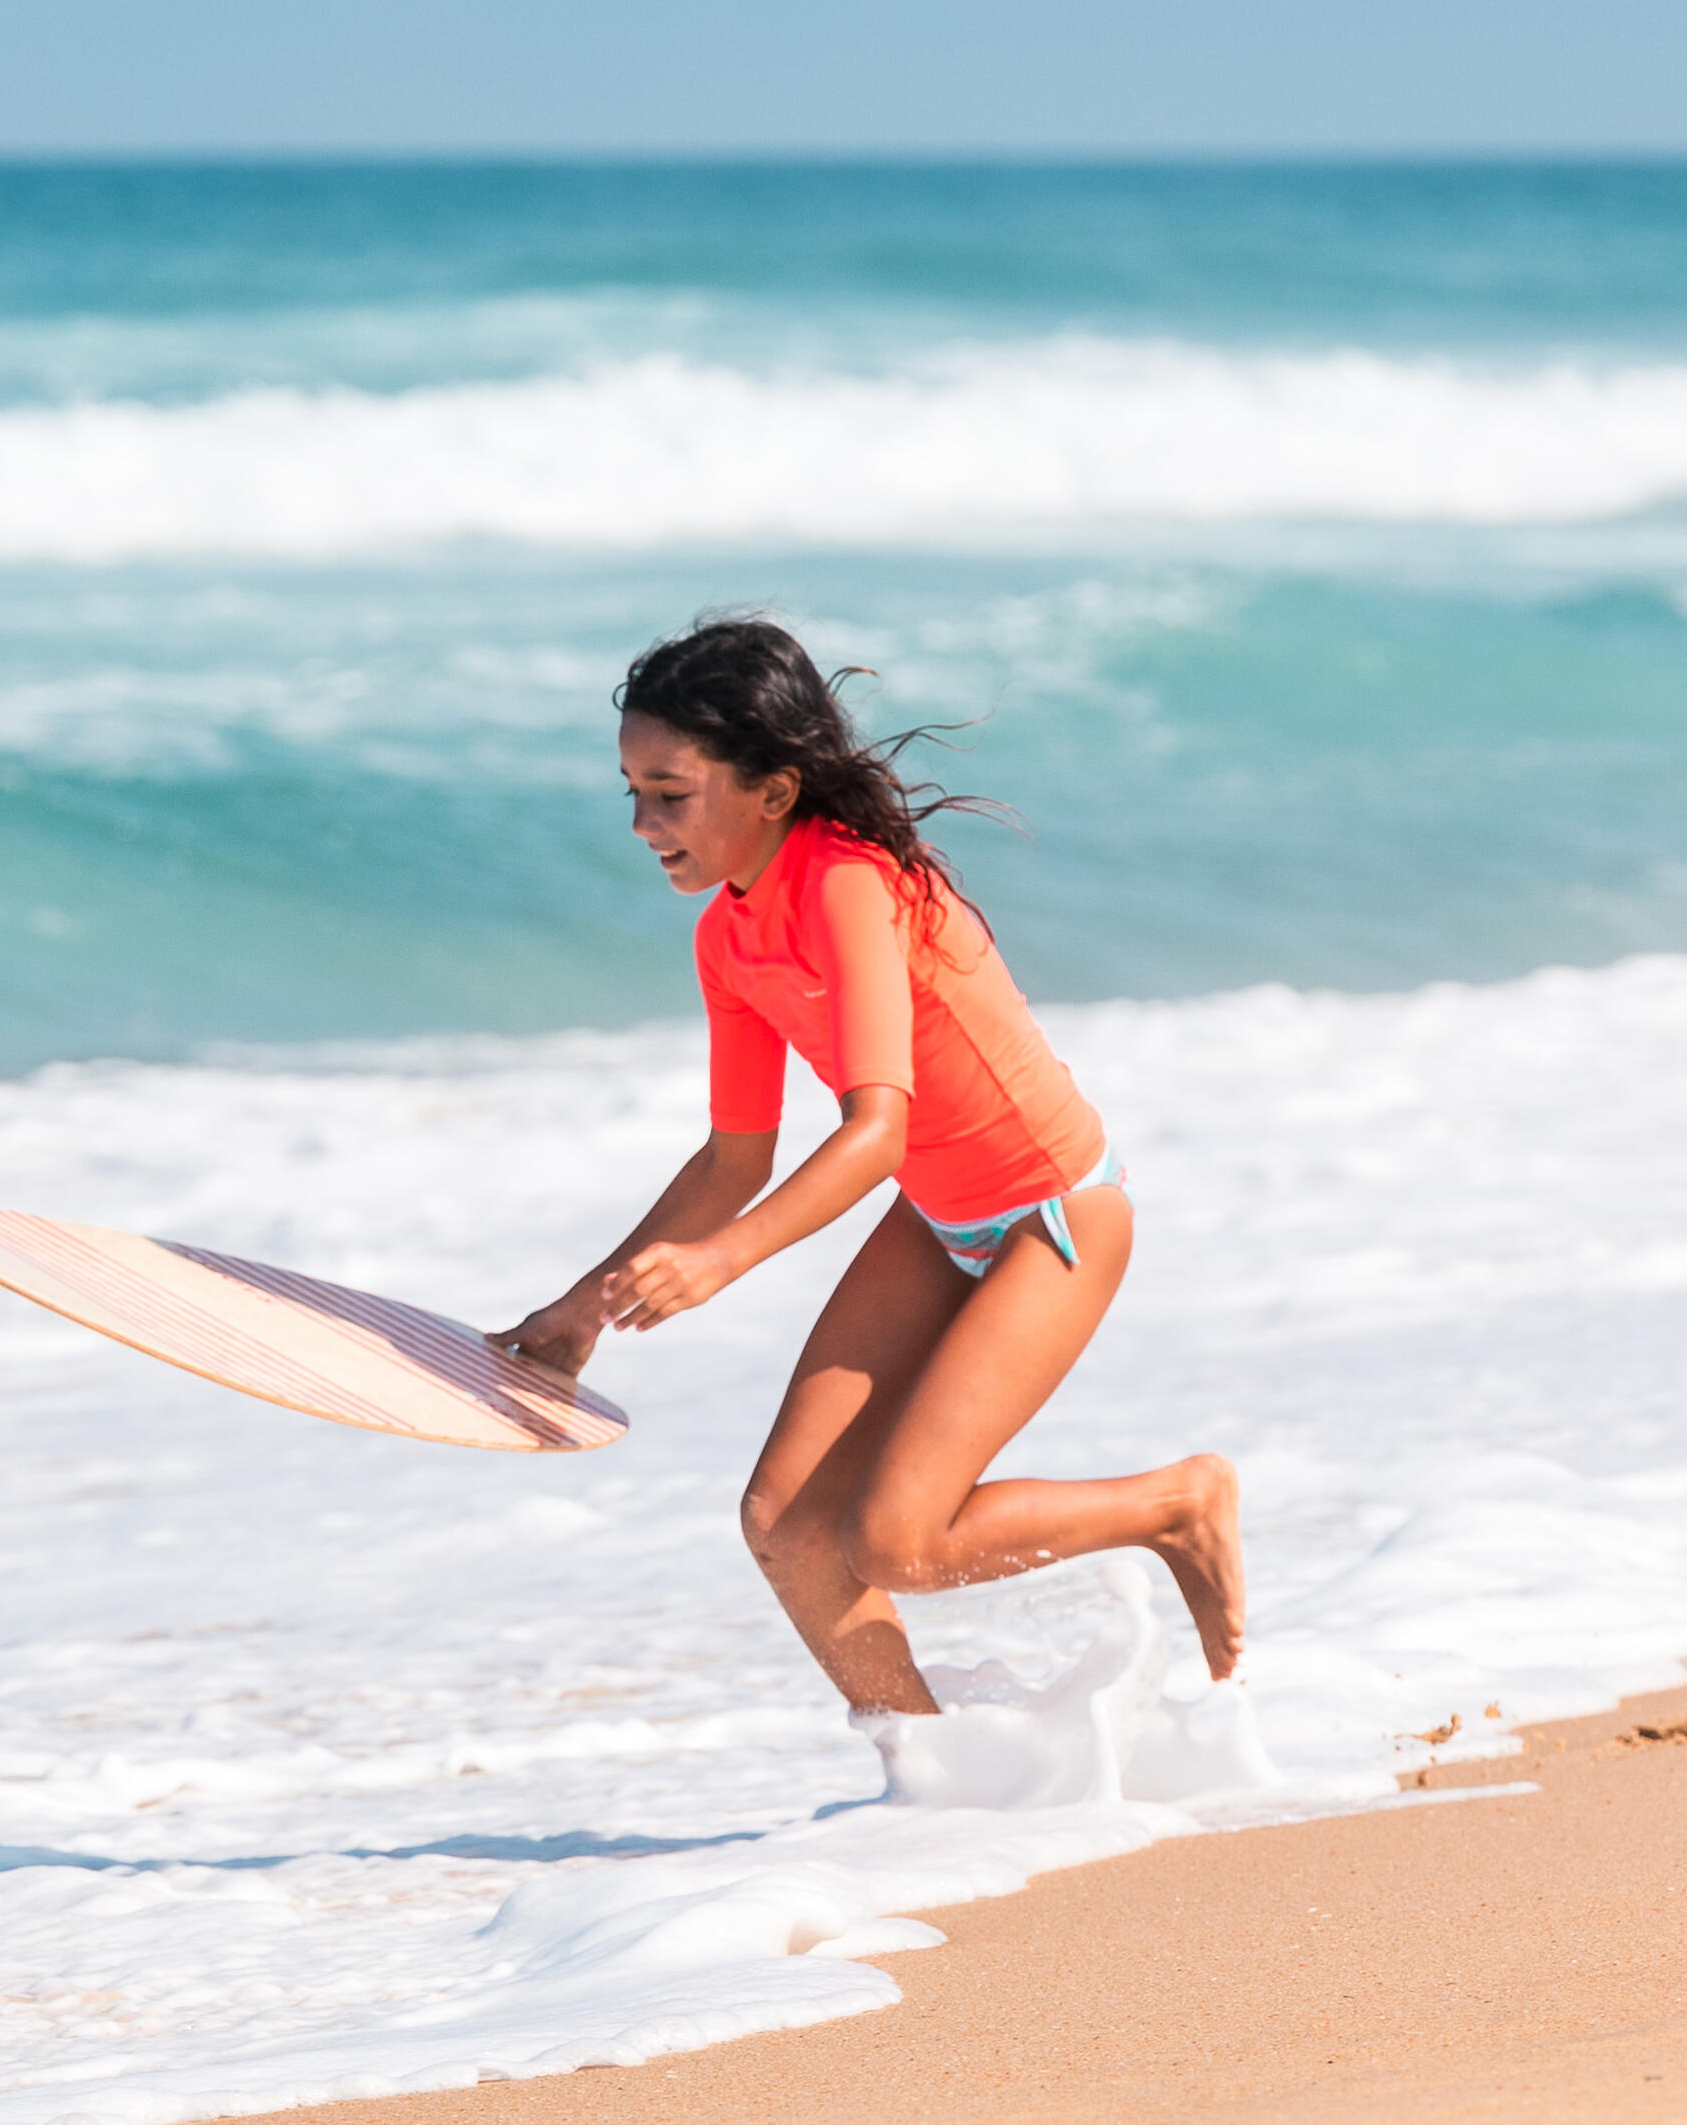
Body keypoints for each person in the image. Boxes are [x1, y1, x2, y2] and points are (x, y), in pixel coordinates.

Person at [495, 616, 1243, 1729]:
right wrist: (581, 1309)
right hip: (943, 1218)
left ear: (773, 790)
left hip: (1054, 1215)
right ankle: (935, 1783)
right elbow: (730, 1156)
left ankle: (1177, 1503)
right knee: (784, 1523)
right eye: (632, 794)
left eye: (669, 791)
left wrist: (720, 1261)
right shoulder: (727, 936)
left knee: (901, 1540)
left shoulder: (848, 883)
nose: (644, 823)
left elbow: (874, 1128)